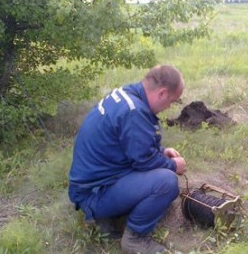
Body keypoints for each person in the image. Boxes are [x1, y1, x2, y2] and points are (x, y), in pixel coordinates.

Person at [68, 64, 186, 254]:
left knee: (163, 182)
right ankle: (135, 240)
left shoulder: (128, 96)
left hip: (91, 185)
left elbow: (131, 145)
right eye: (172, 101)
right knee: (167, 182)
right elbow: (144, 162)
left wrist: (161, 151)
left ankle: (109, 218)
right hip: (93, 194)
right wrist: (173, 165)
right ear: (162, 93)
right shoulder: (134, 112)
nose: (169, 107)